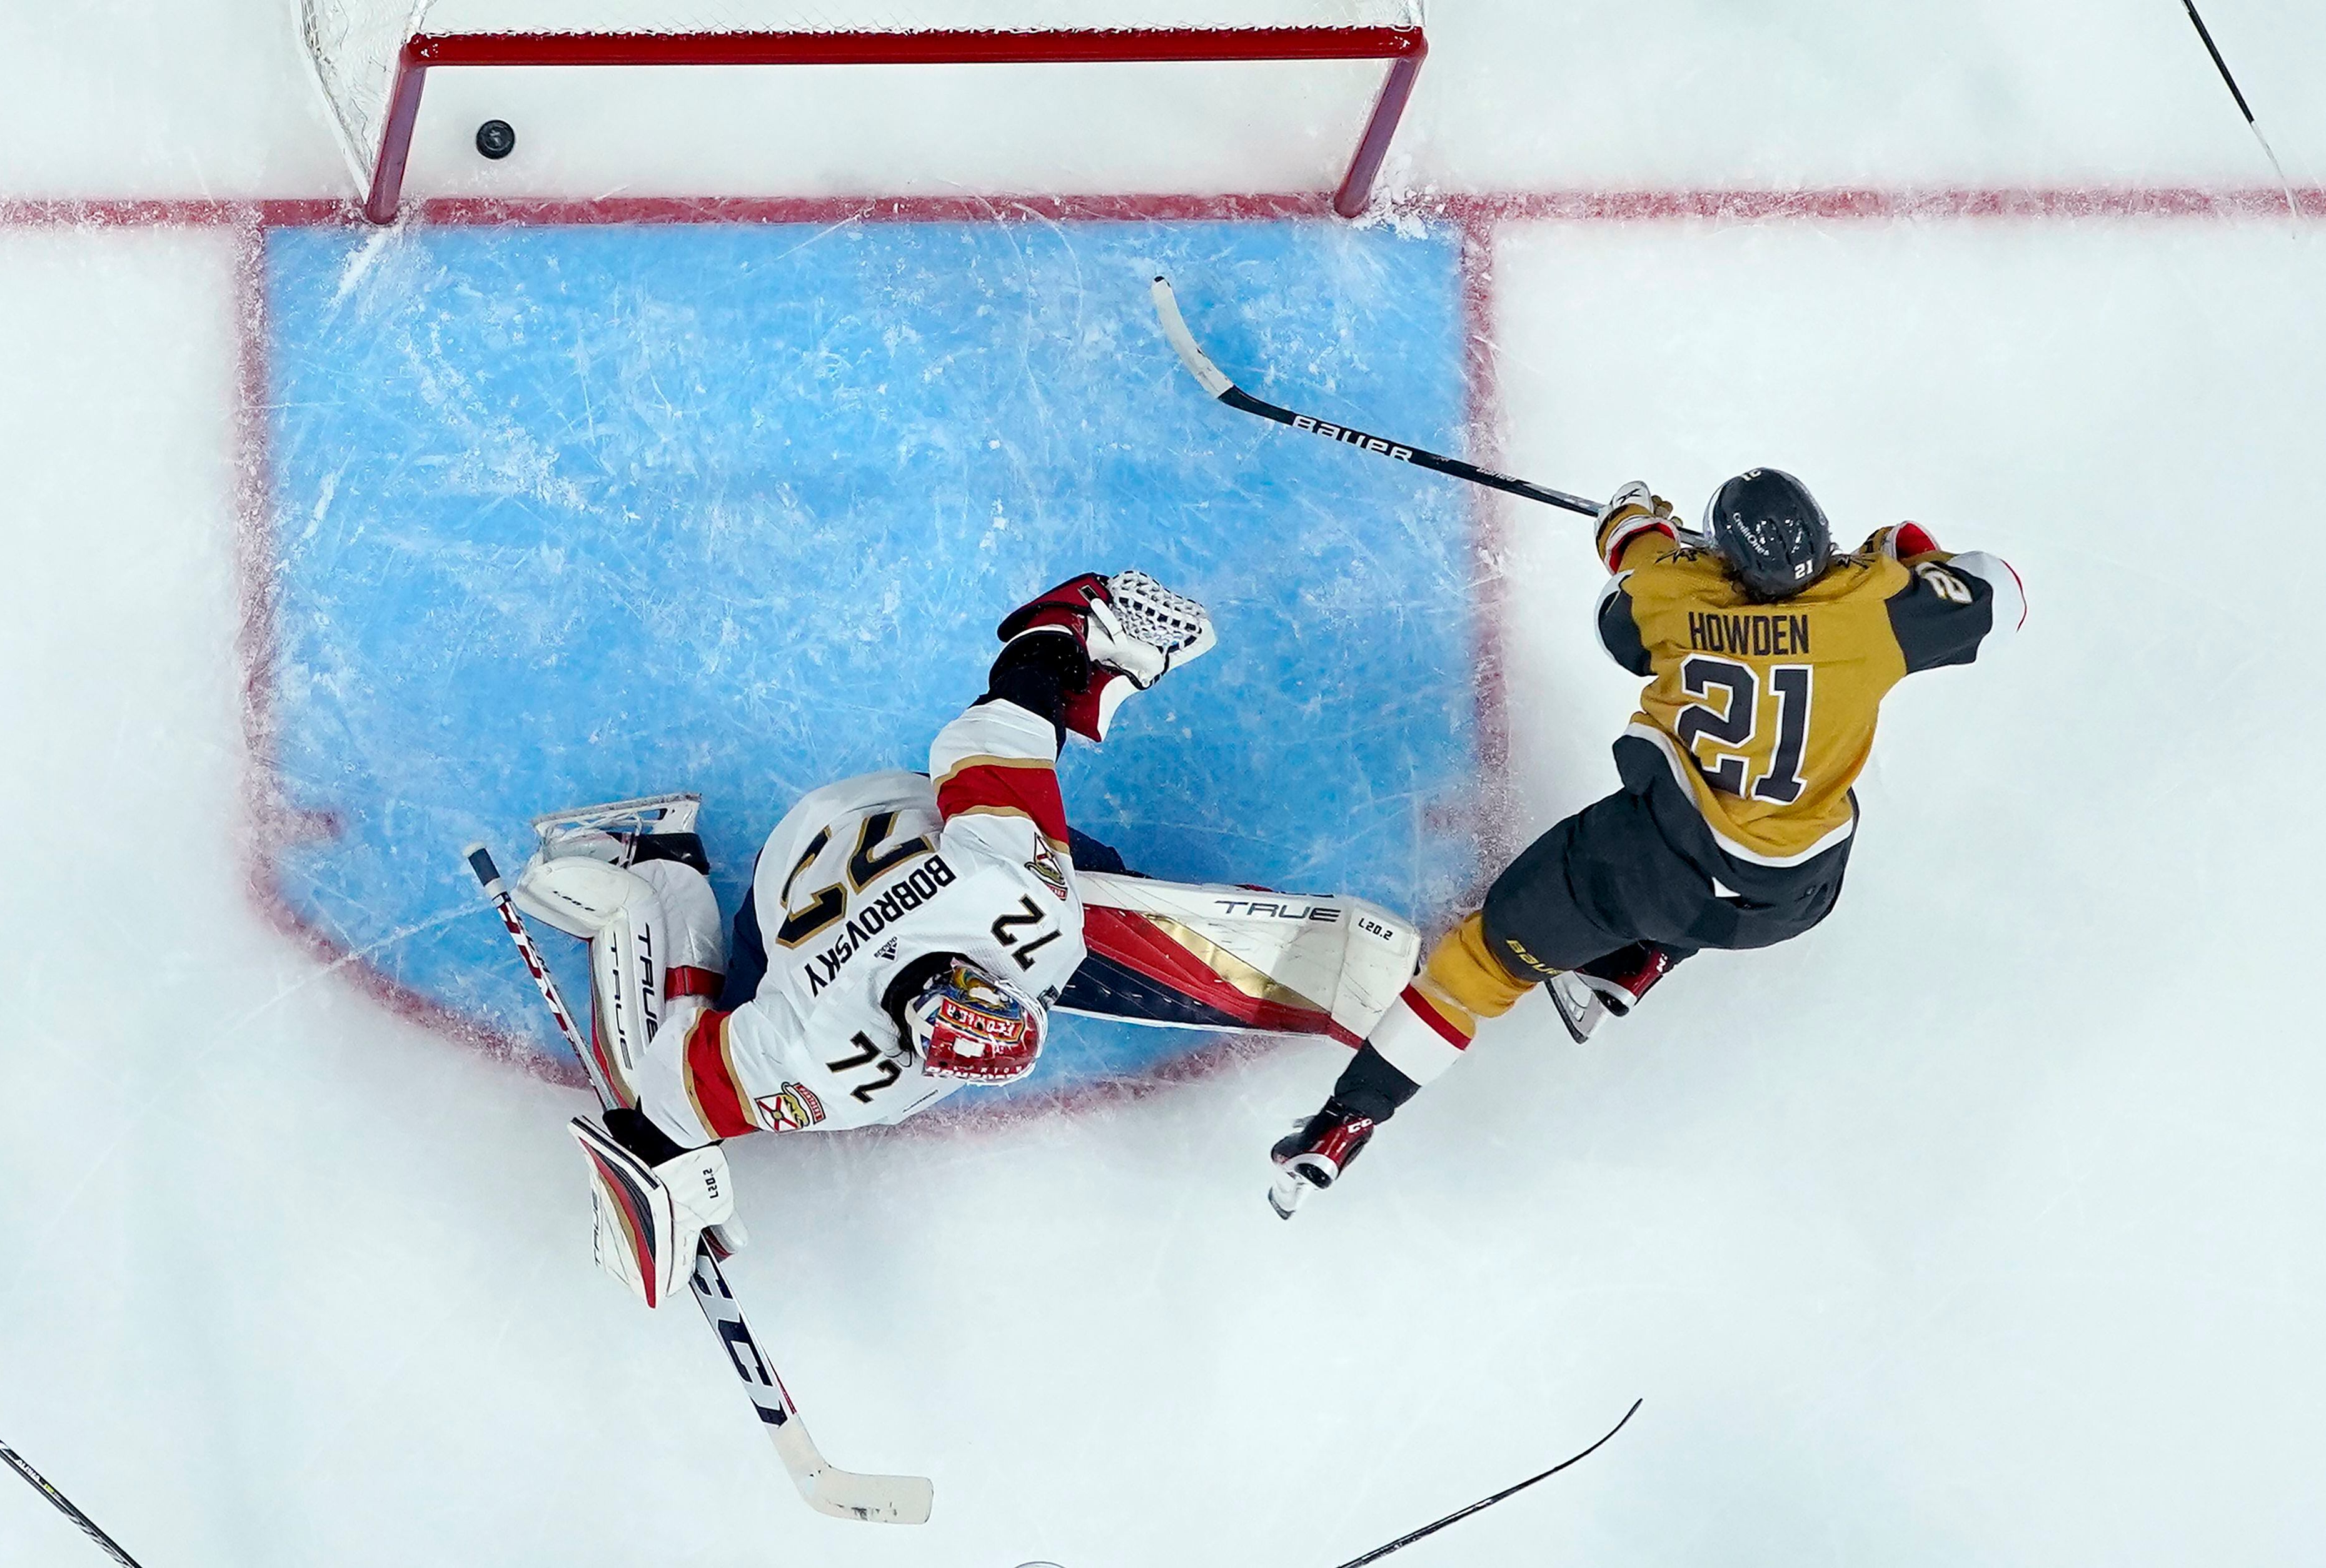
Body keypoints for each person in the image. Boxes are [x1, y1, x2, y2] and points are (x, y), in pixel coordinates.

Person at [1267, 469, 2026, 1218]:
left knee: (1481, 964)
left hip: (1646, 875)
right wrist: (1908, 552)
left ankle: (1347, 1124)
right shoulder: (1877, 610)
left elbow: (1620, 602)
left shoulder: (1675, 593)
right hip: (1790, 898)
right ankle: (1640, 960)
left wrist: (1638, 522)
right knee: (1796, 812)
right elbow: (2003, 591)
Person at [514, 570, 1214, 1304]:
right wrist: (675, 1161)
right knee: (669, 1046)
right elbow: (667, 1084)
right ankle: (656, 875)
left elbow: (1005, 717)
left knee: (1032, 824)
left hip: (871, 826)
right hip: (792, 889)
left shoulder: (1000, 899)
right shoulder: (819, 1043)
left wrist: (1061, 638)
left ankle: (655, 871)